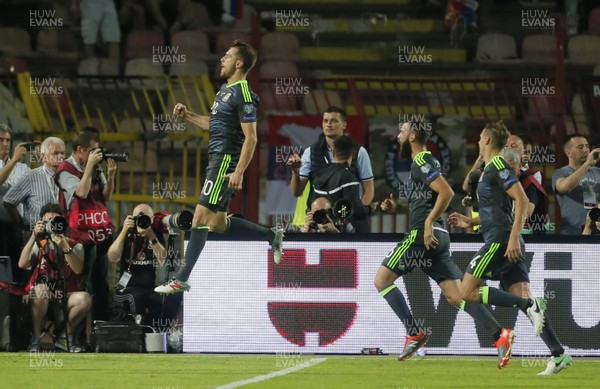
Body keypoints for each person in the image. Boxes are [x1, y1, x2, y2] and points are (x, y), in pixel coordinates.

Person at [374, 121, 512, 367]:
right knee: (457, 296)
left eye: (402, 132)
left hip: (422, 235)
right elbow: (427, 199)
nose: (398, 136)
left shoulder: (421, 161)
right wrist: (399, 207)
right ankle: (499, 335)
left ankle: (414, 333)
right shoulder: (428, 162)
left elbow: (446, 193)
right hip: (439, 236)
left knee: (382, 281)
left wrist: (426, 223)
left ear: (412, 136)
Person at [154, 40, 284, 294]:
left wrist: (239, 171)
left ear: (239, 63)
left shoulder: (244, 95)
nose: (221, 59)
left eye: (227, 56)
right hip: (216, 159)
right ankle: (272, 235)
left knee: (200, 218)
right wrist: (188, 115)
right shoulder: (225, 90)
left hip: (225, 161)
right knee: (217, 223)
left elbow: (252, 137)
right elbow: (213, 124)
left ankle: (181, 278)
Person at [448, 121, 572, 375]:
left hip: (501, 241)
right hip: (503, 237)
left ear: (486, 141)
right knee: (522, 295)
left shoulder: (498, 166)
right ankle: (558, 354)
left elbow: (522, 199)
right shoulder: (488, 170)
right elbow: (498, 209)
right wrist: (470, 221)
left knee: (466, 292)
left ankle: (529, 307)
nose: (478, 140)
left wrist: (514, 238)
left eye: (480, 136)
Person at [55, 130, 117, 321]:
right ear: (80, 150)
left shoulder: (96, 167)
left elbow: (106, 196)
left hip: (100, 232)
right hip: (79, 233)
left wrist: (111, 175)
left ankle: (101, 331)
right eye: (92, 150)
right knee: (83, 283)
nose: (96, 155)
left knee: (102, 283)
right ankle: (79, 337)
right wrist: (90, 166)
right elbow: (81, 193)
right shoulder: (64, 169)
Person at [287, 107, 374, 232]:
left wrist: (353, 213)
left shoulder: (359, 152)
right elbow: (297, 192)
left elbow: (369, 190)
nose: (328, 124)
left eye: (333, 121)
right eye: (325, 121)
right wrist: (295, 171)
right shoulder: (310, 152)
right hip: (318, 222)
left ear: (344, 125)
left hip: (349, 224)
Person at [18, 203, 91, 352]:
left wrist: (65, 248)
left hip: (64, 294)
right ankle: (36, 337)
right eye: (47, 222)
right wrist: (33, 236)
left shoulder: (74, 245)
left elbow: (78, 270)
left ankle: (64, 337)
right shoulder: (39, 244)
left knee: (85, 299)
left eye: (55, 221)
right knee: (41, 289)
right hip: (40, 293)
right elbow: (22, 264)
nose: (52, 226)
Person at [108, 204, 181, 323]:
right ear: (132, 218)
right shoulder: (124, 231)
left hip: (149, 287)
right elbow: (112, 257)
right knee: (136, 297)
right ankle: (138, 334)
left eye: (146, 218)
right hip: (126, 288)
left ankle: (159, 330)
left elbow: (163, 261)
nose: (142, 221)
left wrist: (151, 236)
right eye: (138, 218)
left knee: (171, 297)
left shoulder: (155, 234)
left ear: (152, 220)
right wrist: (124, 231)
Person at [310, 135, 376, 231]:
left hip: (320, 230)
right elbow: (354, 210)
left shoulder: (319, 175)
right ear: (354, 154)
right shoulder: (348, 177)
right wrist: (370, 208)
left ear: (332, 152)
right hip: (342, 233)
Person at [4, 137, 66, 232]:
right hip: (37, 236)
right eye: (55, 153)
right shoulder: (31, 176)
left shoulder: (68, 177)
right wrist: (23, 227)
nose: (60, 157)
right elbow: (8, 202)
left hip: (63, 234)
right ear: (44, 156)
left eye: (62, 153)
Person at [552, 134, 600, 234]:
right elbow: (564, 187)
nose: (586, 150)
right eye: (580, 147)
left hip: (595, 232)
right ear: (568, 152)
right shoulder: (561, 173)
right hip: (571, 233)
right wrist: (587, 164)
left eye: (587, 146)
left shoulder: (597, 172)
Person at [500, 147, 549, 234]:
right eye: (505, 169)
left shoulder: (529, 183)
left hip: (531, 232)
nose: (508, 174)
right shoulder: (496, 181)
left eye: (512, 169)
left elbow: (526, 213)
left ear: (519, 166)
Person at [0, 124, 31, 222]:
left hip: (17, 225)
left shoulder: (23, 168)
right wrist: (14, 160)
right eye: (1, 140)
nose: (5, 144)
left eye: (8, 140)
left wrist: (42, 160)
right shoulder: (14, 161)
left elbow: (39, 185)